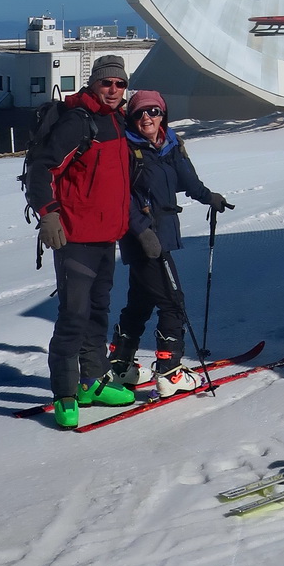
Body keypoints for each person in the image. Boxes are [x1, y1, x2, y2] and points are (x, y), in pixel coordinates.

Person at [24, 54, 137, 429]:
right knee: (73, 316)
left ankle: (93, 380)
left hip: (107, 236)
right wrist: (49, 213)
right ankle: (65, 393)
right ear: (93, 84)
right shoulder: (78, 122)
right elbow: (41, 168)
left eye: (120, 84)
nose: (113, 90)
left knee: (98, 311)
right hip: (75, 237)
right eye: (107, 83)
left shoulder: (117, 121)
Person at [109, 89, 229, 398]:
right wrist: (143, 232)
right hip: (143, 238)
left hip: (162, 232)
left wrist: (209, 197)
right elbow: (121, 199)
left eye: (153, 111)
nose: (147, 117)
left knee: (141, 301)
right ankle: (169, 372)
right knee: (172, 301)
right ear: (131, 119)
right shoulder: (125, 149)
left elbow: (187, 181)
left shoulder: (170, 143)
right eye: (139, 113)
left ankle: (120, 366)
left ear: (163, 114)